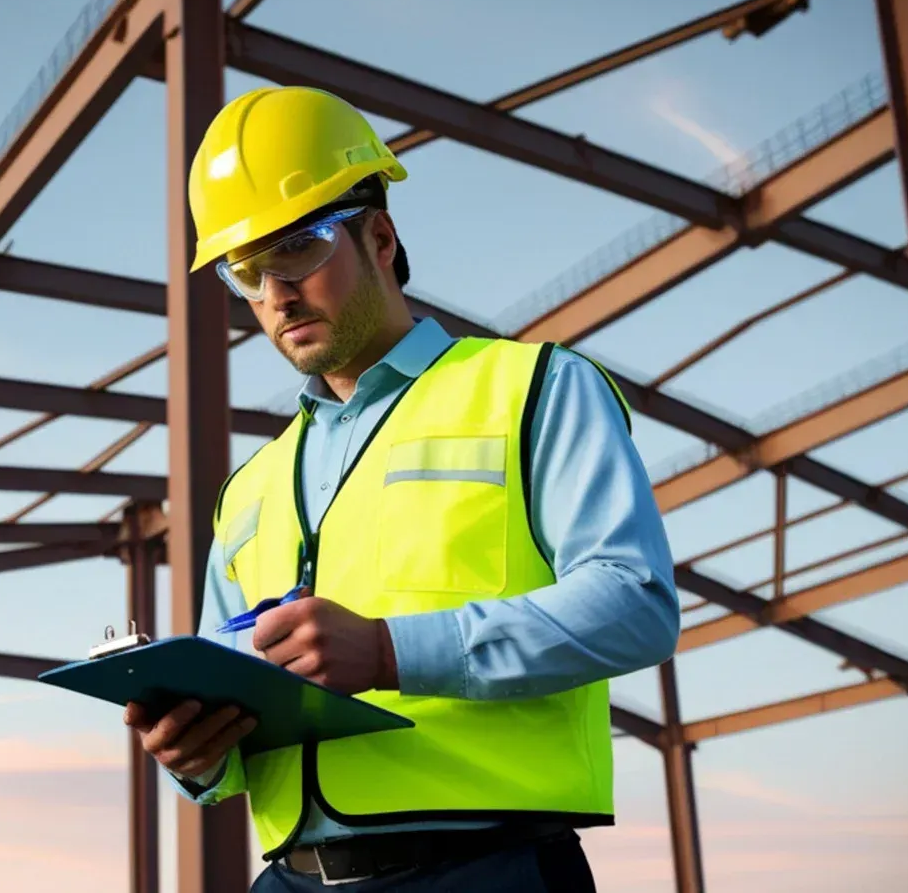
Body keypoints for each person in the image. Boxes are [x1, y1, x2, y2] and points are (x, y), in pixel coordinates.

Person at [121, 85, 681, 891]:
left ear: (379, 237)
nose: (276, 293)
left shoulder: (534, 390)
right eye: (247, 269)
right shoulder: (250, 487)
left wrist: (390, 651)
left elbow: (635, 603)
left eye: (300, 247)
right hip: (288, 878)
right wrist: (194, 754)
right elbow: (237, 720)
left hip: (487, 865)